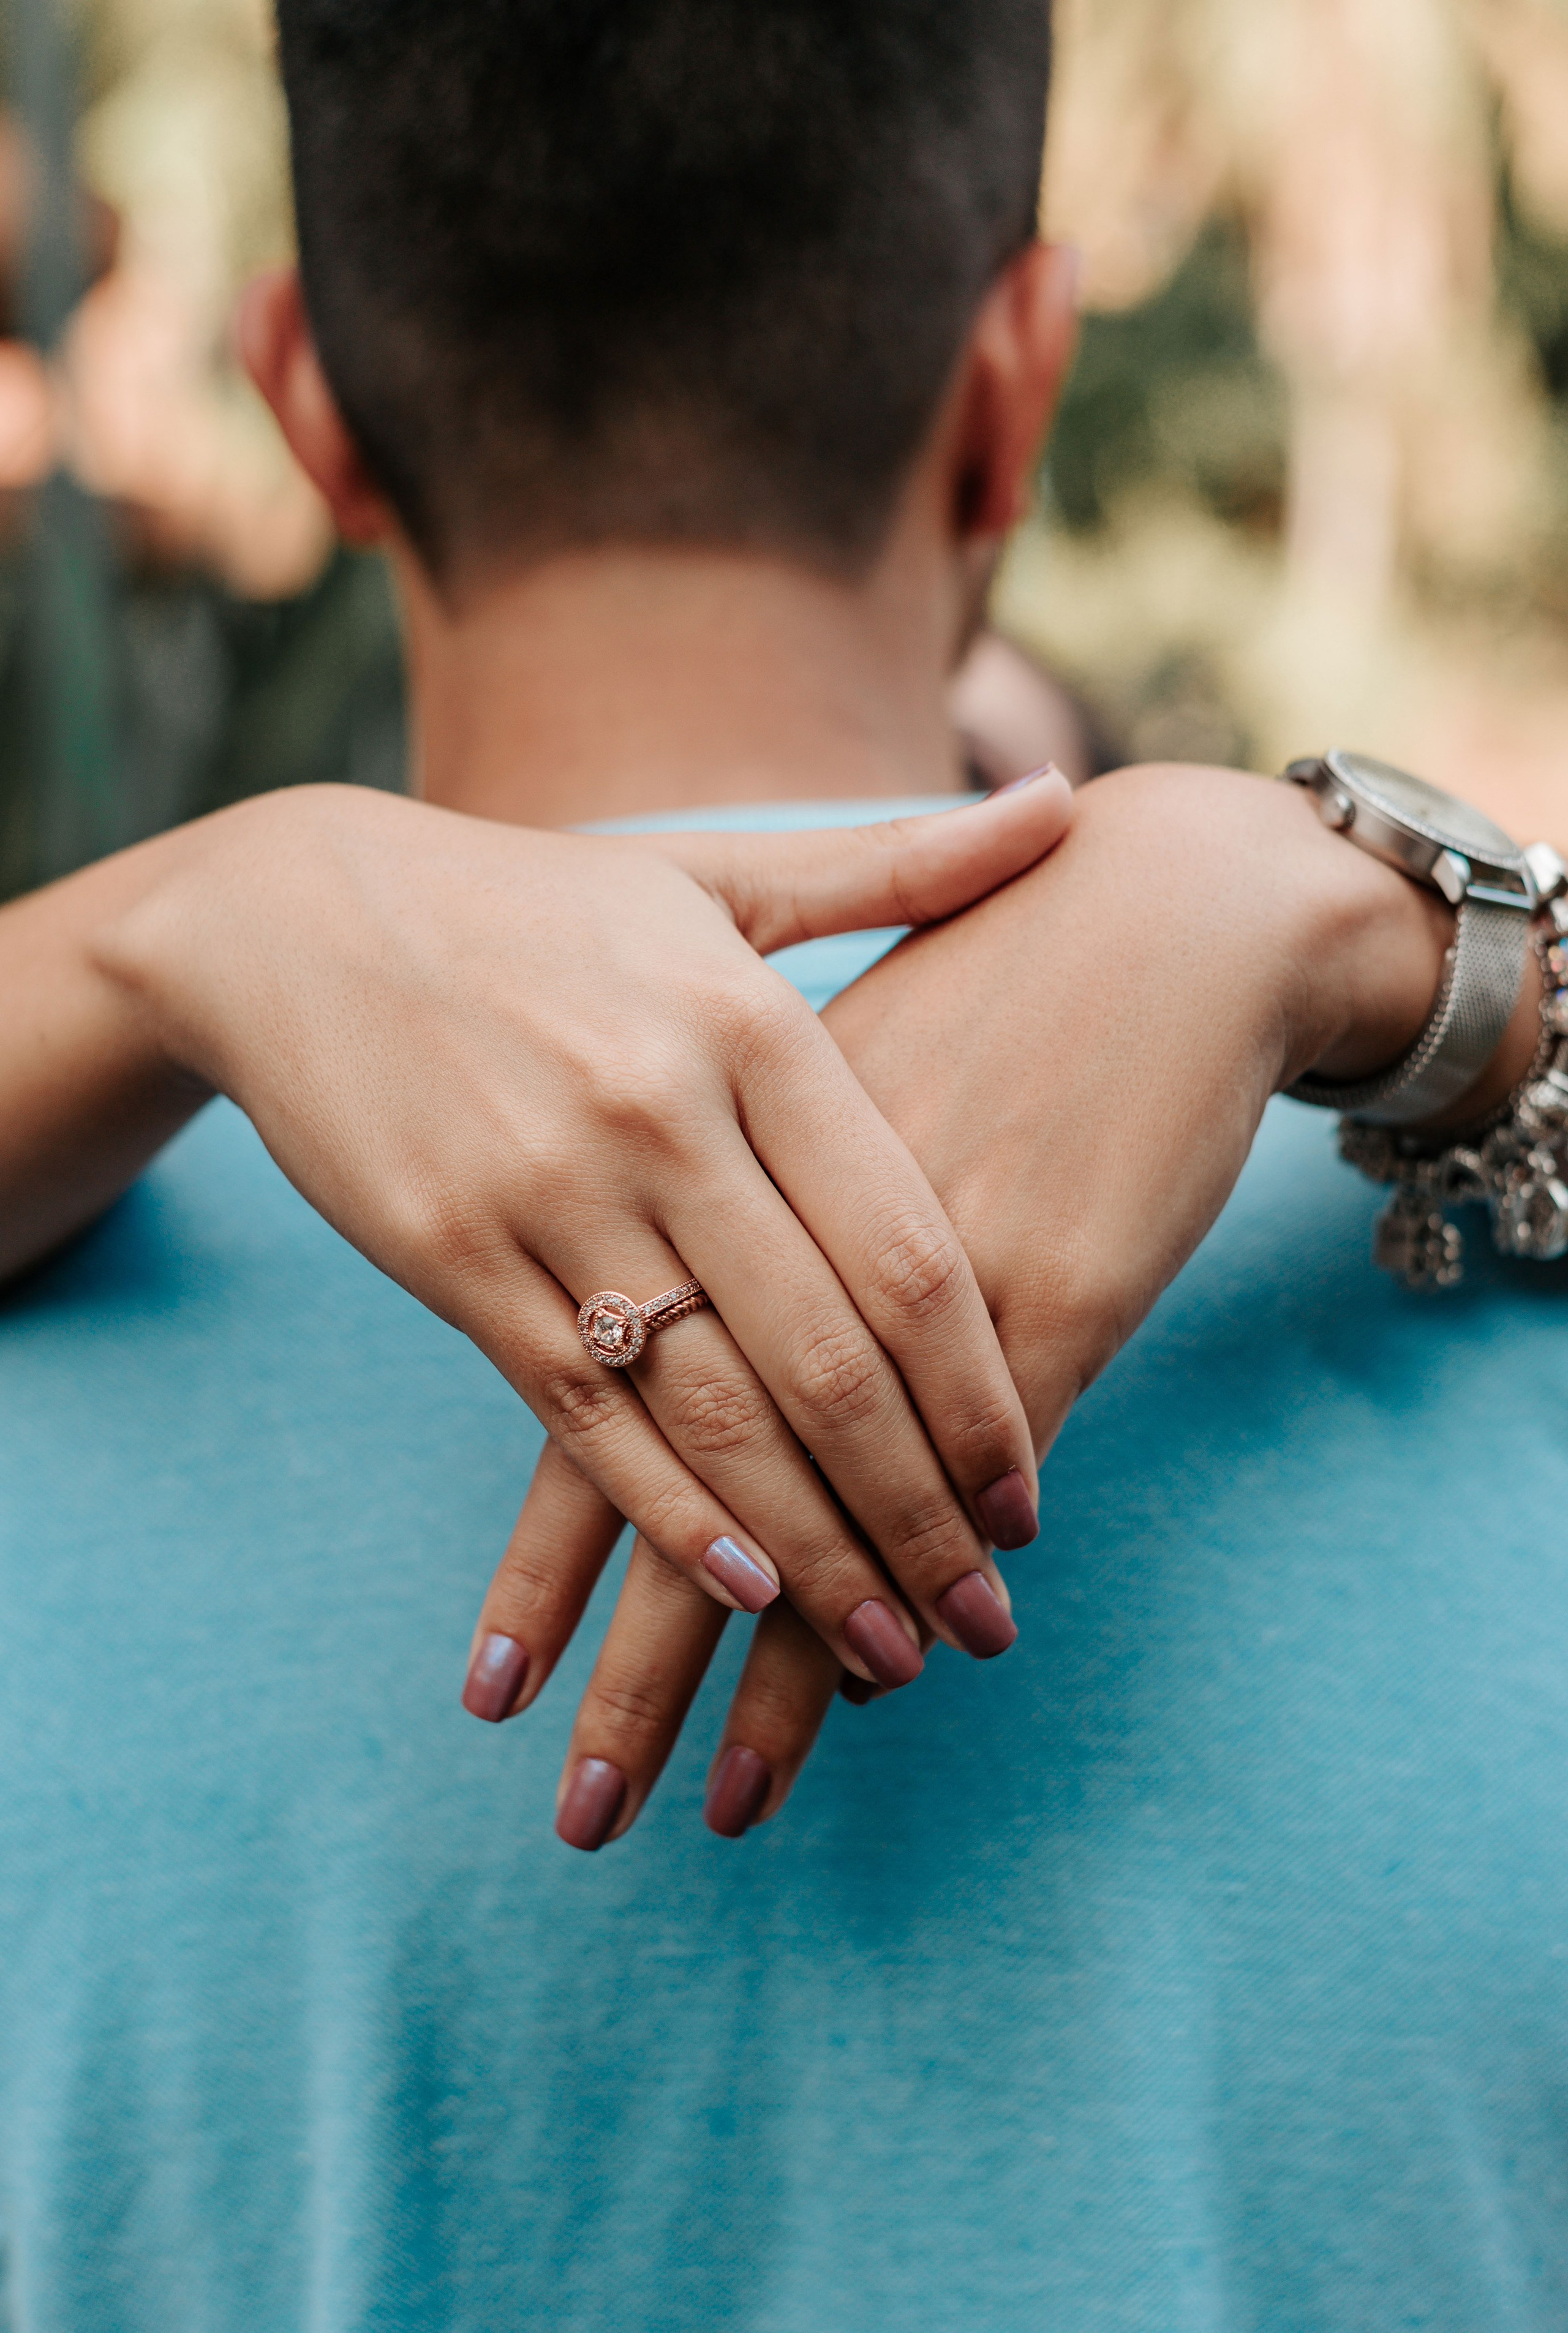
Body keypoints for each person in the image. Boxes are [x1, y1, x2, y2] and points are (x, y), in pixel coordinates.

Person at [0, 4, 1562, 2326]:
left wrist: (153, 929)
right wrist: (1378, 908)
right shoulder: (1464, 1258)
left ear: (302, 393)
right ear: (1018, 386)